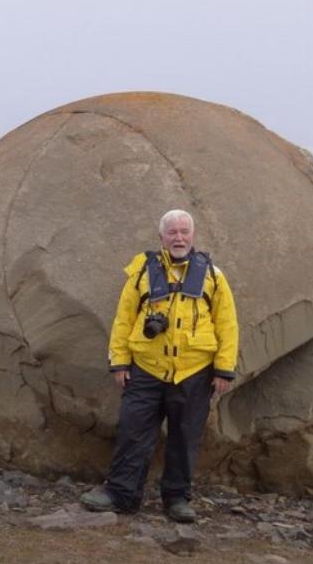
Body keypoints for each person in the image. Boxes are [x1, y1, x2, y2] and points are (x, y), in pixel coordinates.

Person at [80, 209, 238, 522]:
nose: (179, 237)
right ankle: (121, 493)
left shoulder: (213, 276)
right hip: (146, 369)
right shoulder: (141, 273)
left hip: (194, 372)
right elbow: (124, 319)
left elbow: (227, 324)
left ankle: (177, 499)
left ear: (192, 235)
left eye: (184, 231)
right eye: (172, 232)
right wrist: (119, 362)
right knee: (133, 432)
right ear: (162, 238)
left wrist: (223, 369)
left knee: (184, 436)